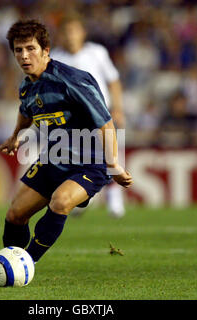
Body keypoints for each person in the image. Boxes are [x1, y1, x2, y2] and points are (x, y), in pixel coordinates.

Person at [0, 19, 132, 272]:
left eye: (30, 48)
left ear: (46, 50)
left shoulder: (72, 80)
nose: (24, 56)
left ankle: (25, 264)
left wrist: (113, 165)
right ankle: (7, 264)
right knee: (15, 214)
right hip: (53, 159)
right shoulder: (27, 86)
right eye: (18, 50)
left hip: (90, 163)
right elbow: (26, 111)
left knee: (60, 201)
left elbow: (105, 122)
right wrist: (15, 135)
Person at [51, 13, 127, 218]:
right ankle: (84, 195)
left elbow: (113, 80)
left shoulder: (97, 52)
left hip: (100, 112)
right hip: (71, 117)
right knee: (76, 158)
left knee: (109, 153)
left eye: (74, 31)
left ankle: (114, 195)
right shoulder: (55, 58)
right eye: (66, 32)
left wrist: (118, 108)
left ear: (82, 33)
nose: (70, 36)